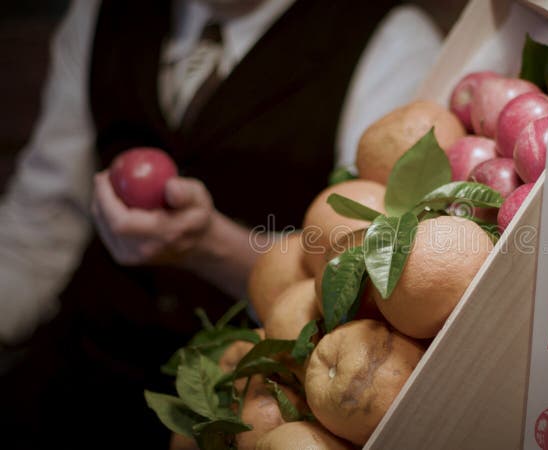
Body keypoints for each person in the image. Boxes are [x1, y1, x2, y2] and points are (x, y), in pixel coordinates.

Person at [0, 0, 442, 448]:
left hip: (240, 401)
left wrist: (209, 246)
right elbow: (42, 220)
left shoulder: (393, 40)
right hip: (77, 370)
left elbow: (360, 278)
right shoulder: (100, 12)